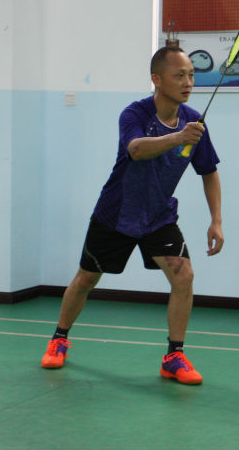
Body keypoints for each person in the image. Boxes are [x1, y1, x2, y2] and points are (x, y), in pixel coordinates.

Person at [40, 46, 224, 385]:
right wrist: (178, 137)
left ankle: (174, 356)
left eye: (191, 75)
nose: (188, 82)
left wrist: (216, 220)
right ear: (157, 79)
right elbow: (136, 149)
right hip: (117, 213)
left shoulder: (195, 121)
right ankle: (59, 338)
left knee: (183, 275)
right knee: (86, 280)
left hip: (158, 217)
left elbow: (209, 171)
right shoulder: (135, 114)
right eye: (179, 75)